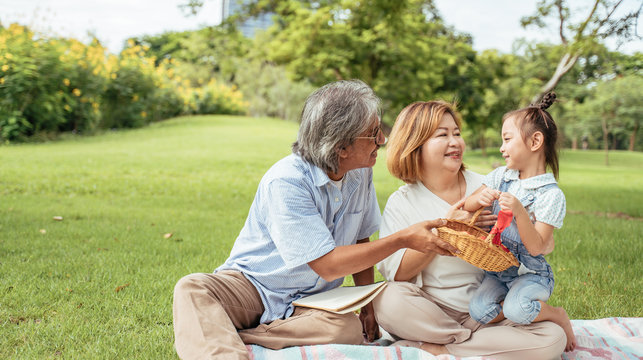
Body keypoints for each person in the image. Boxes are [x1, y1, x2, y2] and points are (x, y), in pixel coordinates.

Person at [172, 80, 459, 360]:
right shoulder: (287, 181)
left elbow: (361, 237)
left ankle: (238, 334)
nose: (382, 140)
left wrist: (367, 304)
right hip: (254, 287)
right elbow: (328, 265)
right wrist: (403, 239)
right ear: (341, 146)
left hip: (310, 302)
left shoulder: (360, 173)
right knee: (192, 288)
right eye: (372, 134)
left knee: (346, 328)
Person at [373, 100, 568, 360]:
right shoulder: (402, 201)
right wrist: (445, 228)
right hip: (433, 311)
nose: (455, 142)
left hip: (490, 312)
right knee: (386, 299)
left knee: (552, 340)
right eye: (443, 135)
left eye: (457, 133)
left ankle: (438, 348)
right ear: (415, 145)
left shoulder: (489, 186)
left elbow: (539, 240)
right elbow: (398, 273)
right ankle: (471, 345)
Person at [463, 92, 576, 351]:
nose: (501, 148)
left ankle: (556, 314)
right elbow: (467, 205)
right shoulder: (501, 176)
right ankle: (517, 309)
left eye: (507, 139)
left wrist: (519, 211)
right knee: (479, 311)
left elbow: (537, 247)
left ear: (535, 141)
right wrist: (479, 197)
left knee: (517, 310)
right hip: (499, 271)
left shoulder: (551, 195)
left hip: (532, 275)